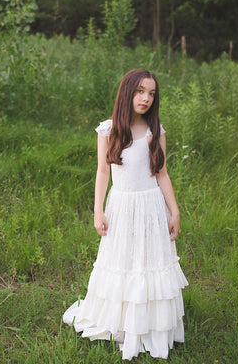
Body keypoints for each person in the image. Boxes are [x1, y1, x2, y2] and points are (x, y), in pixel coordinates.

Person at [63, 69, 189, 360]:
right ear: (128, 92)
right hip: (121, 206)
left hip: (150, 206)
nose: (146, 98)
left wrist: (175, 210)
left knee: (148, 262)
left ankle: (149, 327)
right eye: (140, 91)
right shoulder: (108, 130)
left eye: (152, 94)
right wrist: (98, 209)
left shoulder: (155, 131)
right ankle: (120, 322)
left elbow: (162, 173)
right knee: (123, 261)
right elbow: (103, 171)